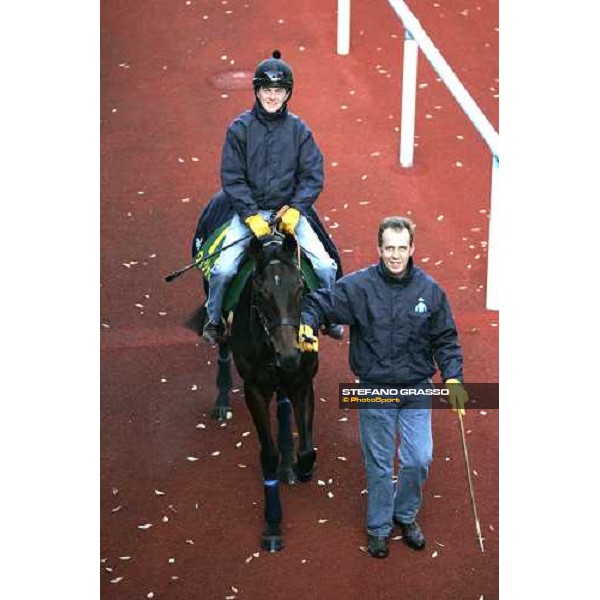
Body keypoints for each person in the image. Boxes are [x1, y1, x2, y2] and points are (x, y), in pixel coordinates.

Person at [299, 216, 468, 559]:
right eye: (389, 248)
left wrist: (453, 378)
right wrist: (305, 323)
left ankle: (404, 515)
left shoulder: (430, 291)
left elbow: (446, 340)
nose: (395, 255)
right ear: (379, 249)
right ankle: (378, 527)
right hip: (374, 387)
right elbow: (319, 302)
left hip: (417, 386)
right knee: (378, 462)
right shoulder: (359, 287)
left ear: (412, 249)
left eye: (401, 248)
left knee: (419, 457)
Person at [201, 49, 343, 344]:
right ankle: (214, 319)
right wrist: (251, 215)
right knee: (224, 268)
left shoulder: (299, 131)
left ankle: (329, 316)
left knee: (326, 265)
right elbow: (232, 178)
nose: (272, 96)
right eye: (267, 89)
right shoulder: (239, 129)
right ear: (257, 90)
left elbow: (313, 175)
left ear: (287, 93)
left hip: (288, 214)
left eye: (279, 90)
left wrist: (296, 209)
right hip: (248, 215)